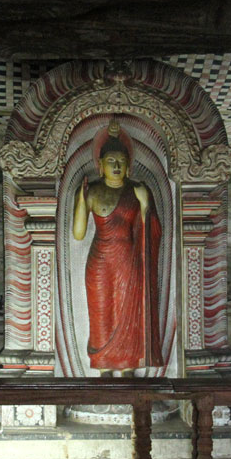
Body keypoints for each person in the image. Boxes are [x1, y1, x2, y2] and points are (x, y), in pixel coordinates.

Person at [72, 119, 163, 376]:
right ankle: (103, 368)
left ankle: (126, 369)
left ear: (128, 166)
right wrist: (81, 200)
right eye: (110, 161)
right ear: (100, 165)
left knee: (126, 311)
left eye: (121, 162)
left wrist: (146, 206)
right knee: (101, 313)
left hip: (127, 259)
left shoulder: (137, 190)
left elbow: (153, 230)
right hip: (99, 260)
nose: (116, 166)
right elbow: (78, 234)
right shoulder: (93, 192)